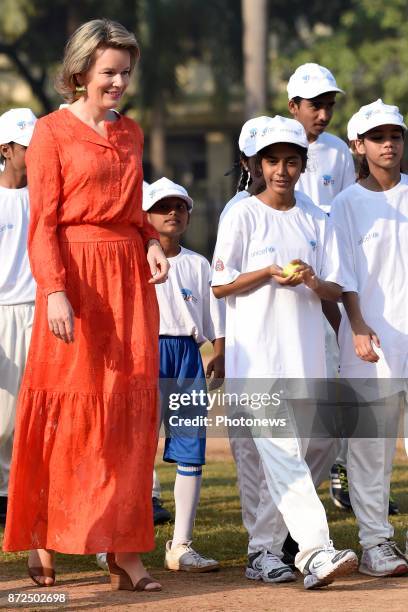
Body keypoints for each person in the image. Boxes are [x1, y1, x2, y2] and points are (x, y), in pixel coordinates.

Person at [3, 18, 169, 593]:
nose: (119, 82)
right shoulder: (49, 133)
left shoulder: (132, 134)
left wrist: (150, 243)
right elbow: (42, 223)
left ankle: (124, 552)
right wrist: (53, 290)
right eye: (108, 72)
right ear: (79, 73)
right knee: (68, 413)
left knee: (126, 416)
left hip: (127, 286)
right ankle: (44, 538)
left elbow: (131, 213)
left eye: (126, 72)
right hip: (73, 280)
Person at [211, 114, 358, 590]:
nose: (281, 170)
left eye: (291, 161)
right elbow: (220, 284)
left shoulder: (317, 216)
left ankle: (264, 549)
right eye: (271, 160)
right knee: (281, 454)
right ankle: (315, 551)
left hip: (306, 357)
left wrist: (312, 280)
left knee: (316, 446)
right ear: (255, 164)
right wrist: (268, 272)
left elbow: (337, 287)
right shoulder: (241, 213)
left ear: (302, 164)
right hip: (256, 360)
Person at [330, 99, 408, 577]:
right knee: (370, 448)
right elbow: (344, 275)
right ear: (358, 145)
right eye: (378, 137)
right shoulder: (346, 204)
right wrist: (358, 326)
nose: (389, 144)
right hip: (370, 343)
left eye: (396, 136)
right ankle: (376, 543)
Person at [143, 177, 225, 571]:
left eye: (180, 207)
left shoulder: (197, 263)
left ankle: (180, 545)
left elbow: (213, 320)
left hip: (187, 358)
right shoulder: (132, 259)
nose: (172, 213)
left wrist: (220, 352)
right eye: (162, 207)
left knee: (192, 449)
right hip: (145, 354)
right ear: (145, 217)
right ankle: (115, 540)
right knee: (134, 449)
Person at [0, 108, 37, 527]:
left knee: (30, 412)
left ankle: (16, 497)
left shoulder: (43, 196)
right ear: (6, 149)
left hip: (40, 309)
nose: (35, 152)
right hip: (2, 311)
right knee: (3, 417)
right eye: (28, 146)